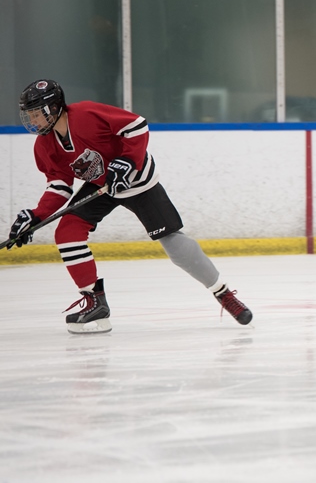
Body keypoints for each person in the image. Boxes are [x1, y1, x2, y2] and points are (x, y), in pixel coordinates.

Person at [7, 79, 253, 334]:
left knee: (174, 244)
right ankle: (95, 303)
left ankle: (223, 293)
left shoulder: (86, 114)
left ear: (54, 107)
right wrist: (37, 216)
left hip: (136, 179)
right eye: (30, 115)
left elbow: (136, 126)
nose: (33, 121)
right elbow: (59, 186)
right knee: (67, 233)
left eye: (37, 114)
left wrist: (127, 161)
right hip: (101, 185)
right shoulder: (45, 145)